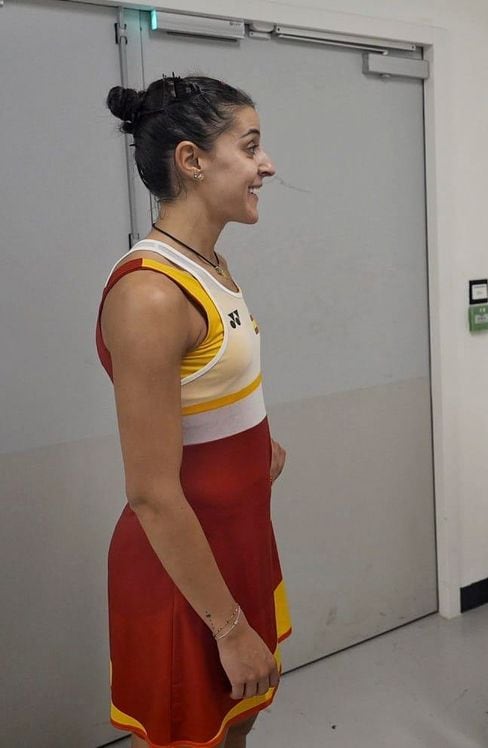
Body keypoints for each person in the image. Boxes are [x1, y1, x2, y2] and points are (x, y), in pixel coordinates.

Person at [98, 75, 291, 748]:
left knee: (238, 725)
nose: (267, 165)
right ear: (192, 160)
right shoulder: (150, 294)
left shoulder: (210, 265)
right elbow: (151, 494)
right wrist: (230, 628)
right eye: (251, 145)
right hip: (184, 578)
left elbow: (209, 400)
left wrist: (250, 448)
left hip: (236, 544)